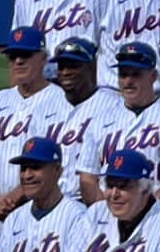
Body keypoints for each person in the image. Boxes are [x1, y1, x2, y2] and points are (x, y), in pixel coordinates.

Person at [0, 28, 62, 223]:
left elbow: (55, 162)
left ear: (43, 58)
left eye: (25, 55)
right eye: (13, 56)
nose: (18, 61)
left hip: (40, 209)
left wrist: (14, 198)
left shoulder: (61, 101)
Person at [42, 39, 126, 203]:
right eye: (62, 66)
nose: (65, 72)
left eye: (73, 66)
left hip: (92, 202)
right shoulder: (44, 108)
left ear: (90, 66)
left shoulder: (114, 105)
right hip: (51, 205)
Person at [100, 44, 160, 205]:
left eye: (136, 74)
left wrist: (144, 211)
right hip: (110, 215)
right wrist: (108, 212)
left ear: (153, 76)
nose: (128, 81)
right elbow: (88, 178)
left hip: (156, 214)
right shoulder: (101, 120)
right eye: (123, 75)